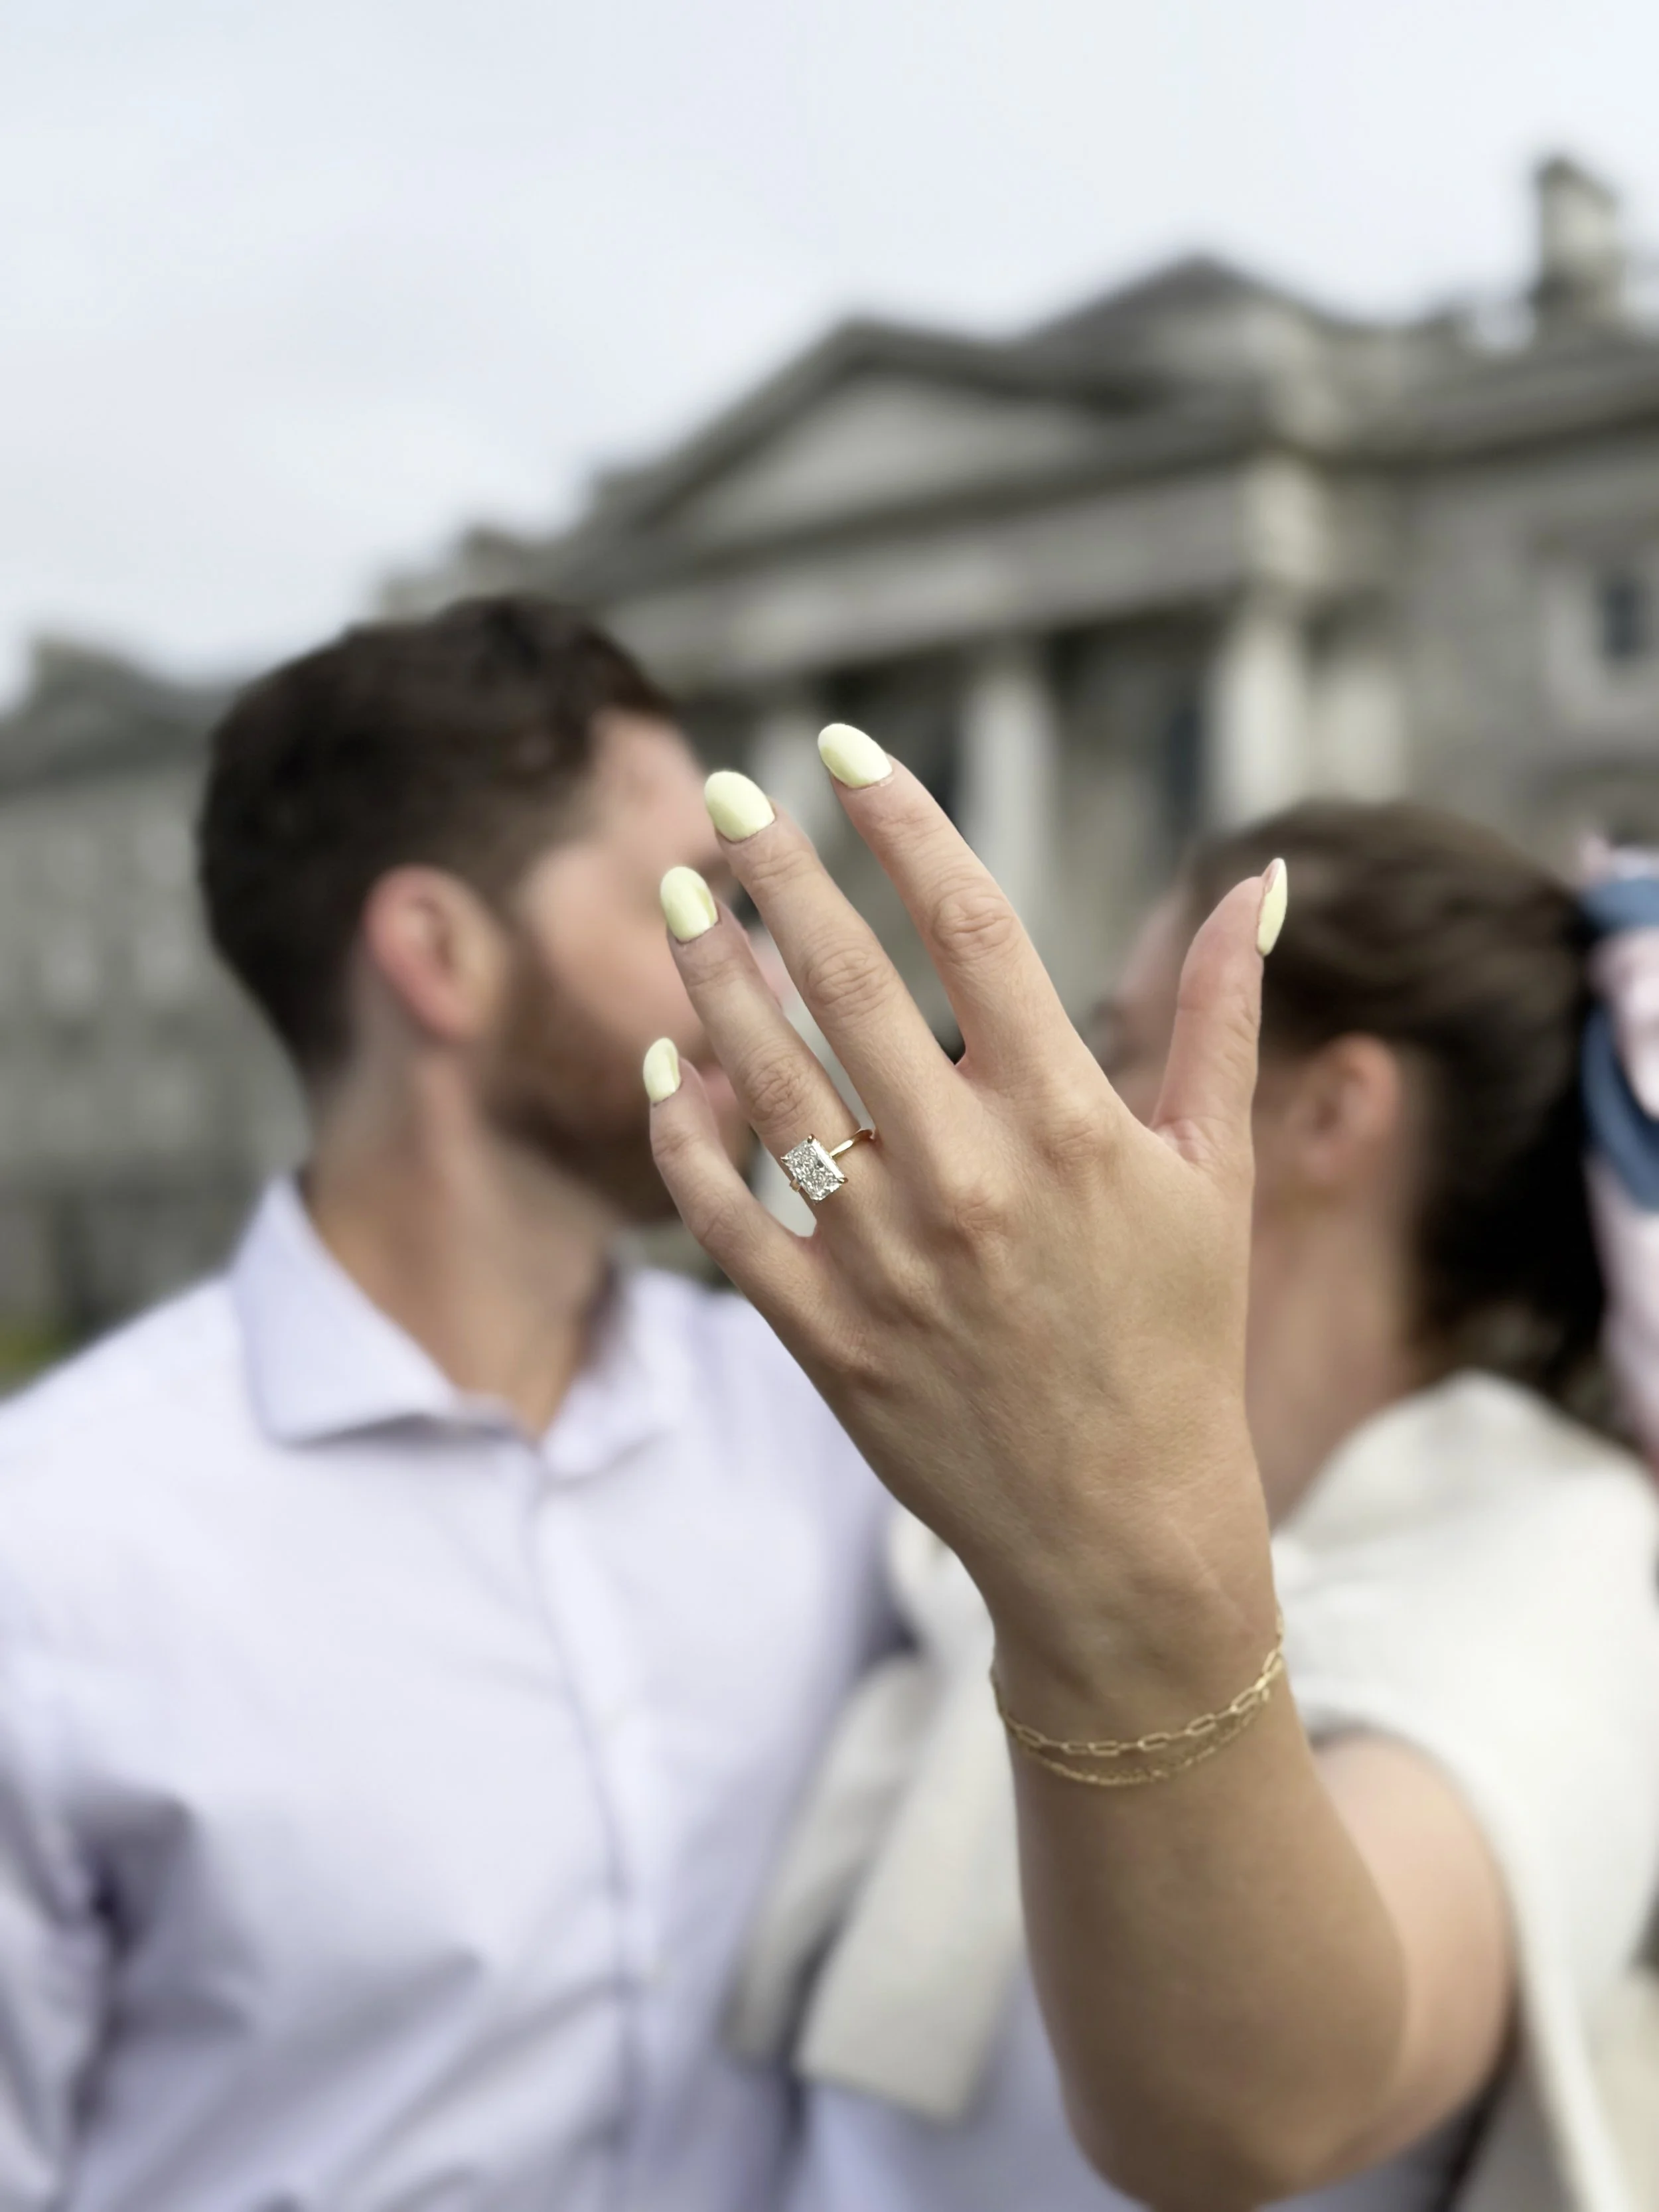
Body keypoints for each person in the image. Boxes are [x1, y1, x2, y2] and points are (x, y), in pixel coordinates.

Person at [647, 763, 1659, 2212]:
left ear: (1328, 1113)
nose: (1046, 1118)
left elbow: (1256, 2113)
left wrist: (1098, 1565)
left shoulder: (1562, 1547)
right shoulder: (951, 1507)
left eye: (1111, 1048)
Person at [0, 598, 895, 2210]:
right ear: (439, 954)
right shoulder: (51, 1560)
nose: (768, 983)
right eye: (696, 907)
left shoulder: (829, 1425)